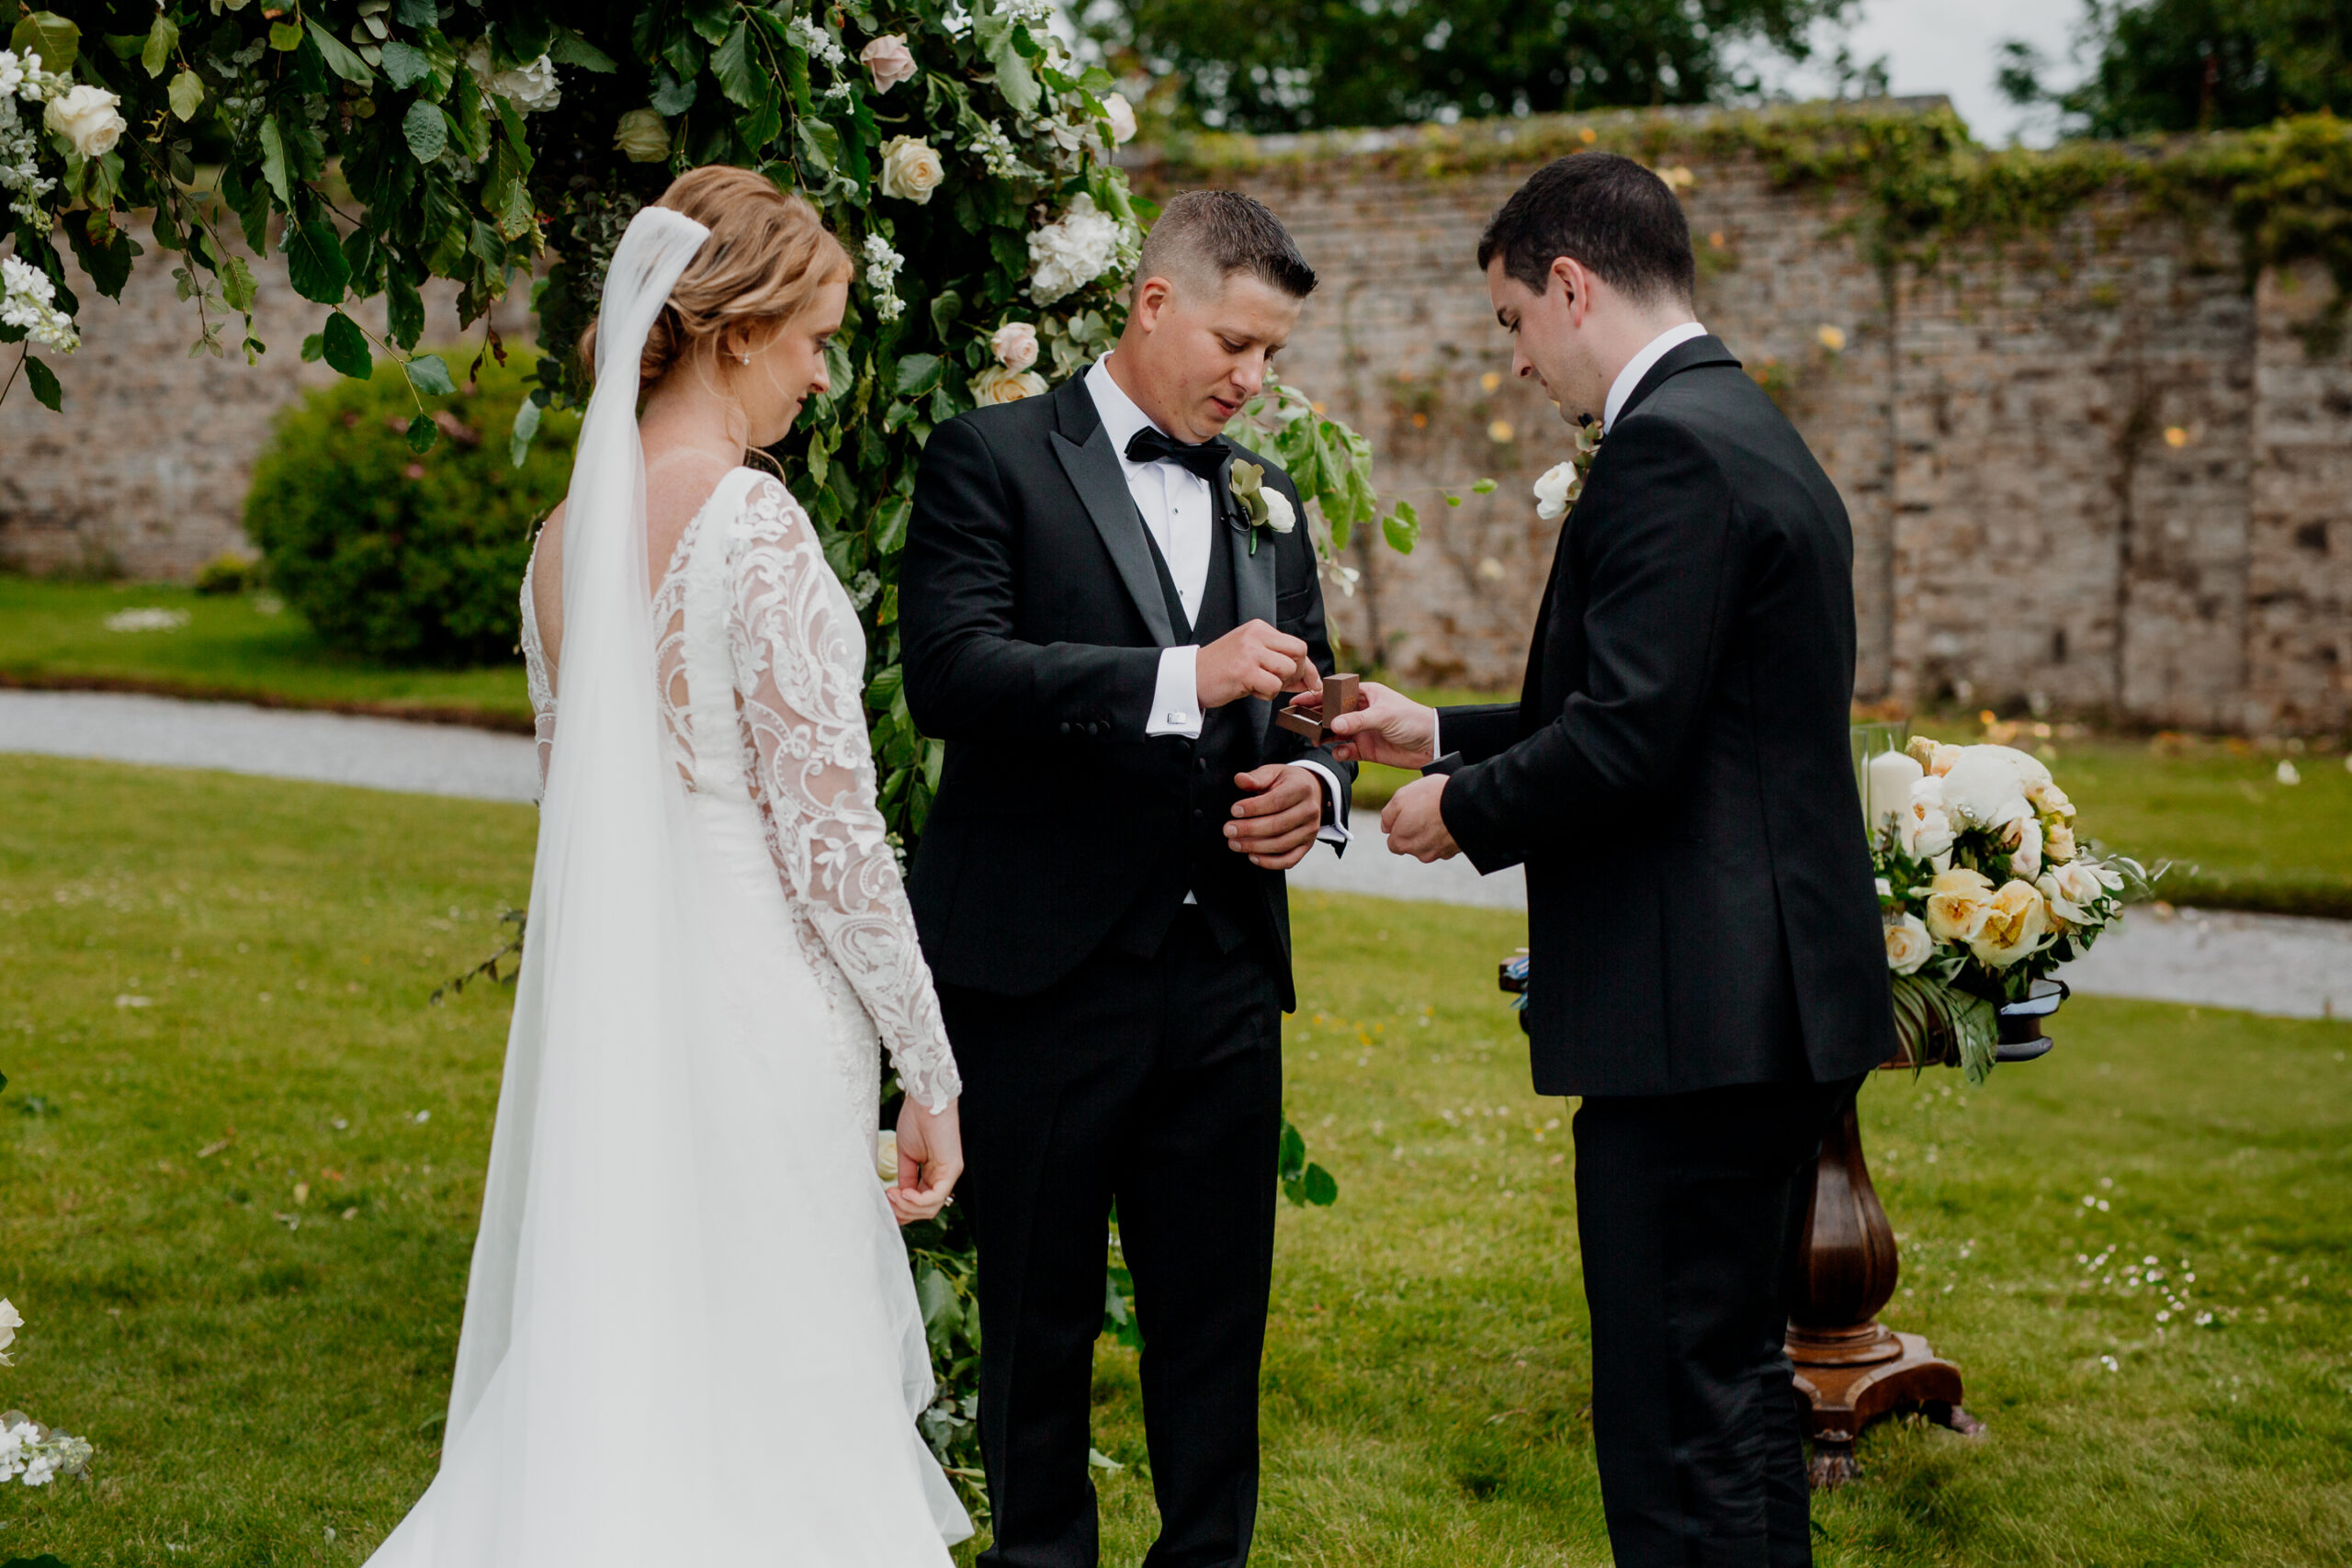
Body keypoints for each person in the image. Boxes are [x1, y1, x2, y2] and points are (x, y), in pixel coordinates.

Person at [364, 168, 970, 1566]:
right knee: (768, 1360)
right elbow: (835, 846)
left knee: (637, 1346)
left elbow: (576, 806)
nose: (825, 377)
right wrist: (926, 1068)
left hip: (618, 1008)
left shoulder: (559, 544)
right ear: (739, 331)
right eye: (817, 339)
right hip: (758, 997)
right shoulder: (751, 529)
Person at [1328, 152, 1894, 1566]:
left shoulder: (1669, 449)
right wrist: (1438, 732)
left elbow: (1629, 742)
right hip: (1768, 1008)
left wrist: (1459, 810)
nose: (1516, 360)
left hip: (1696, 1024)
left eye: (1514, 319)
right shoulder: (1749, 427)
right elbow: (1674, 709)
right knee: (1733, 1386)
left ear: (1572, 284)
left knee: (1667, 1412)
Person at [899, 190, 1353, 1568]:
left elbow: (1310, 704)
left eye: (1272, 357)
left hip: (1221, 977)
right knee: (1038, 1324)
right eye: (1235, 343)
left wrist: (1314, 791)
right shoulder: (987, 457)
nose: (1250, 380)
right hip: (1043, 976)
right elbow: (952, 675)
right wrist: (1181, 677)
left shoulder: (1266, 497)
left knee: (1218, 1322)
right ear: (1153, 302)